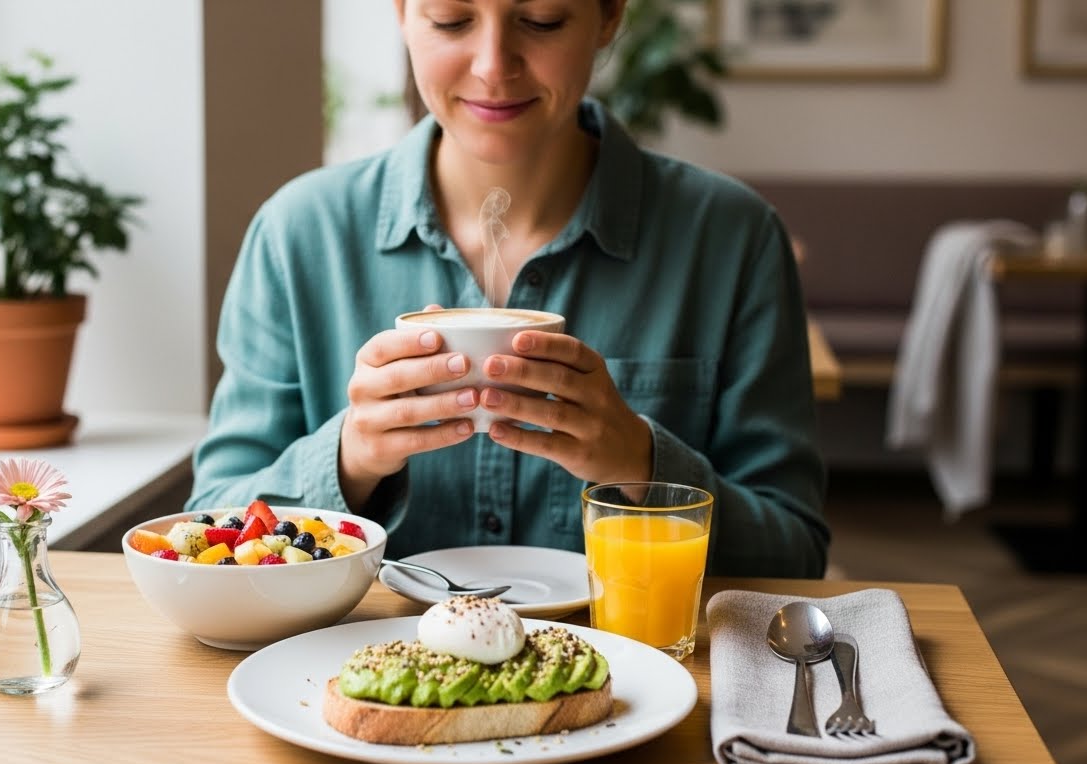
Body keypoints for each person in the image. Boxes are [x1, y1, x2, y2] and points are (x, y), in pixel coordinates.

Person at [186, 0, 828, 578]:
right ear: (403, 13)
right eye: (451, 20)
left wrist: (639, 464)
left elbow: (795, 553)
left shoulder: (732, 238)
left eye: (542, 20)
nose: (494, 66)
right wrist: (350, 460)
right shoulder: (300, 234)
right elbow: (208, 522)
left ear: (609, 15)